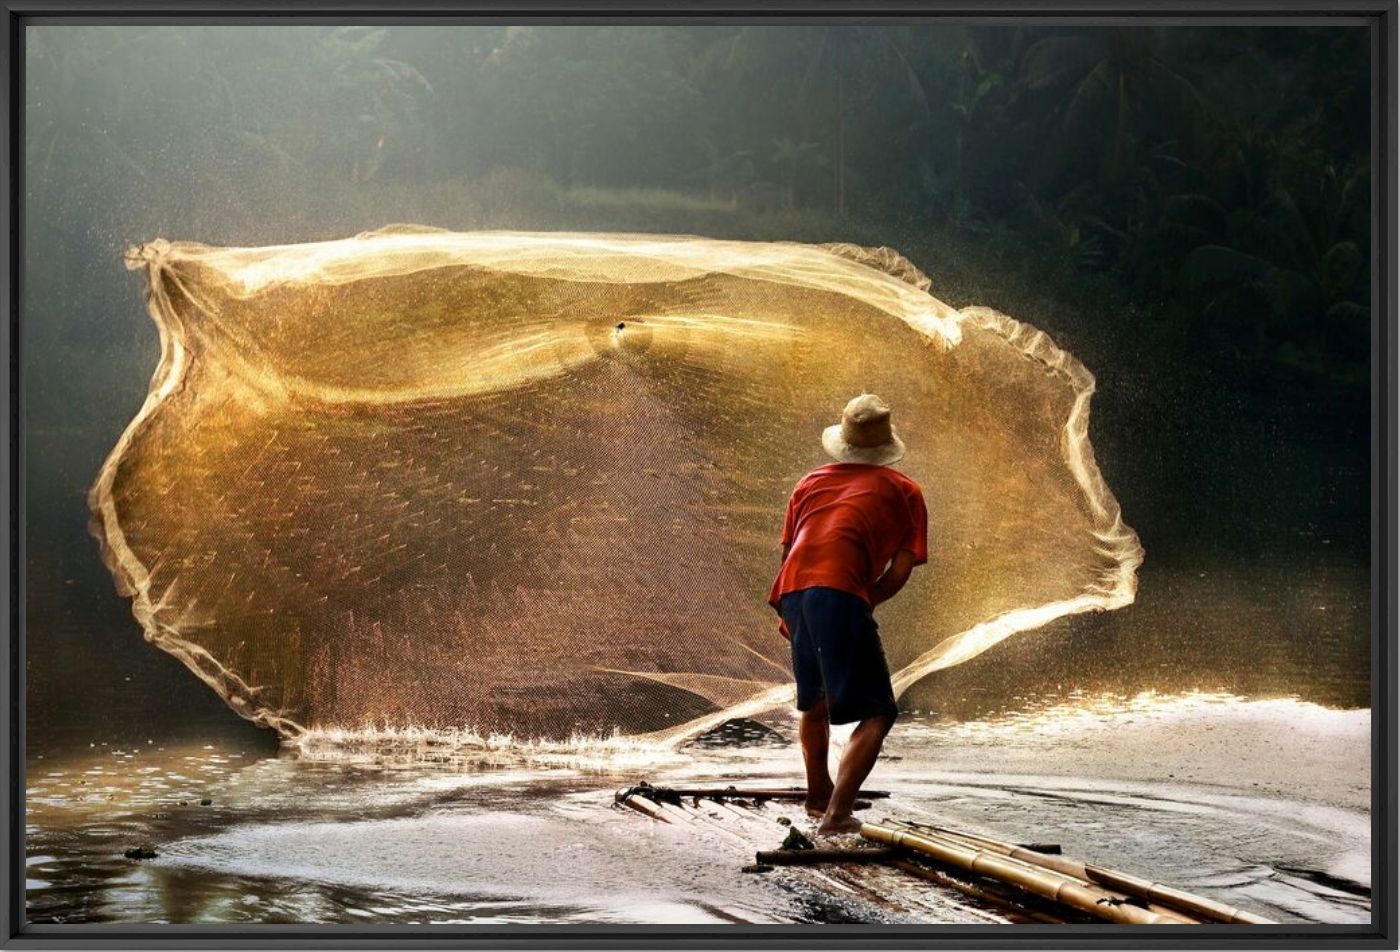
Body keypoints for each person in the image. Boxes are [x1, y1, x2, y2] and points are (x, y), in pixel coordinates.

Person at [768, 393, 928, 835]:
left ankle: (818, 795)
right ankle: (837, 815)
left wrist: (797, 607)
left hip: (793, 589)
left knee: (816, 704)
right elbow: (900, 568)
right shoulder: (904, 490)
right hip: (837, 592)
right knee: (879, 711)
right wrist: (864, 599)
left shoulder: (809, 482)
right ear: (885, 446)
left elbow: (787, 553)